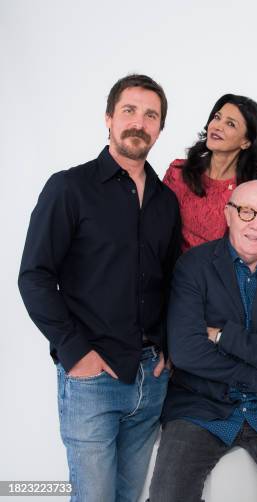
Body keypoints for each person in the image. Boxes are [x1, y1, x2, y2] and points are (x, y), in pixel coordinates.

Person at [18, 74, 181, 501]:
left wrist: (166, 346)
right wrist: (75, 353)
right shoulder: (69, 188)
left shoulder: (166, 202)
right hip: (92, 379)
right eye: (129, 110)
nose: (138, 122)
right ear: (108, 118)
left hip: (151, 379)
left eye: (151, 115)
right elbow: (34, 276)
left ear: (160, 129)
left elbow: (170, 280)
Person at [148, 180, 257, 502]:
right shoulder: (193, 267)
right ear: (228, 214)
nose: (255, 223)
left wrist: (223, 335)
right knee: (167, 496)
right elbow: (187, 351)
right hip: (199, 406)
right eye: (246, 212)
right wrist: (256, 374)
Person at [163, 94, 257, 252]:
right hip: (164, 270)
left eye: (230, 124)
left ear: (246, 142)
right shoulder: (178, 172)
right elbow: (155, 225)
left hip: (212, 275)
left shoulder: (248, 194)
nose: (217, 126)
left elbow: (252, 252)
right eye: (217, 117)